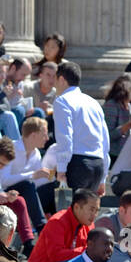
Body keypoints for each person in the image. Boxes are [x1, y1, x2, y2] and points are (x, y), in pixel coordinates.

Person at [52, 62, 109, 194]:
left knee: (68, 212)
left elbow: (64, 136)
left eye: (55, 78)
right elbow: (105, 140)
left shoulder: (62, 101)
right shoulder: (93, 103)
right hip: (97, 164)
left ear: (61, 79)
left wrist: (61, 168)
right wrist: (103, 177)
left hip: (77, 164)